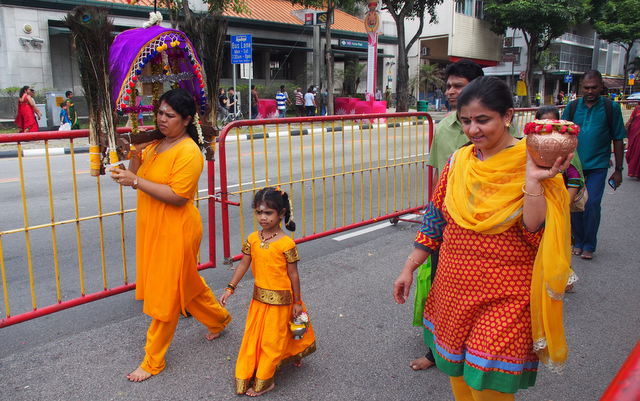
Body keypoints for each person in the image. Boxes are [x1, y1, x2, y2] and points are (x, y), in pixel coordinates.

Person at [394, 76, 573, 401]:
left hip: (506, 296)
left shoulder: (533, 160)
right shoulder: (458, 163)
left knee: (488, 386)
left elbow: (534, 229)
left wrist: (533, 181)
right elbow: (435, 219)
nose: (473, 129)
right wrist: (409, 268)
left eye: (482, 119)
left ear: (507, 116)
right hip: (454, 289)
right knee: (460, 378)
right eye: (466, 121)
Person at [109, 88, 231, 382]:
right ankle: (219, 319)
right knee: (186, 281)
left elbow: (178, 196)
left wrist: (136, 180)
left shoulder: (189, 152)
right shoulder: (156, 143)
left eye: (169, 115)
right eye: (160, 113)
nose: (162, 119)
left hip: (178, 228)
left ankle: (153, 361)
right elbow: (134, 177)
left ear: (187, 120)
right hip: (154, 224)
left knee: (166, 292)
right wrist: (131, 158)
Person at [408, 59, 486, 373]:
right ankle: (436, 350)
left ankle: (478, 351)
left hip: (489, 231)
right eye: (449, 86)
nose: (451, 92)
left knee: (481, 292)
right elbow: (441, 181)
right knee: (441, 288)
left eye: (458, 85)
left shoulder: (505, 130)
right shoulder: (443, 128)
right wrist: (432, 229)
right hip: (450, 227)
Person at [220, 187, 316, 397]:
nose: (263, 217)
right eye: (259, 212)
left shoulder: (286, 243)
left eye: (268, 213)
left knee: (274, 340)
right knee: (262, 339)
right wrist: (230, 288)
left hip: (283, 302)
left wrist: (297, 302)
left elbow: (294, 276)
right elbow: (244, 265)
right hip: (260, 301)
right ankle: (289, 357)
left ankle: (267, 381)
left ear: (281, 214)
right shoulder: (253, 239)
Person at [561, 69, 626, 260]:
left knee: (591, 203)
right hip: (573, 166)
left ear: (601, 87)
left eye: (594, 87)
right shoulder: (572, 107)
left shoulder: (610, 107)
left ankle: (589, 244)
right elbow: (562, 133)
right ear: (581, 88)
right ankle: (578, 241)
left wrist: (619, 170)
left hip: (598, 165)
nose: (590, 91)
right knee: (573, 203)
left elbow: (618, 139)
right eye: (586, 88)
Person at [625, 103, 640, 179]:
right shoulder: (637, 108)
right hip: (636, 135)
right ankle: (636, 172)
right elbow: (631, 120)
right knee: (636, 152)